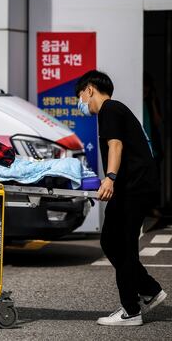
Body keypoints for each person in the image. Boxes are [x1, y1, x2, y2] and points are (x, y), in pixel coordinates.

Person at [74, 70, 166, 326]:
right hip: (131, 187)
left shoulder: (110, 109)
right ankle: (149, 289)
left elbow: (116, 145)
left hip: (133, 187)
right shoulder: (114, 110)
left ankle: (131, 311)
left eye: (80, 96)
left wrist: (110, 177)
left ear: (89, 89)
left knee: (123, 246)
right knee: (110, 241)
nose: (80, 103)